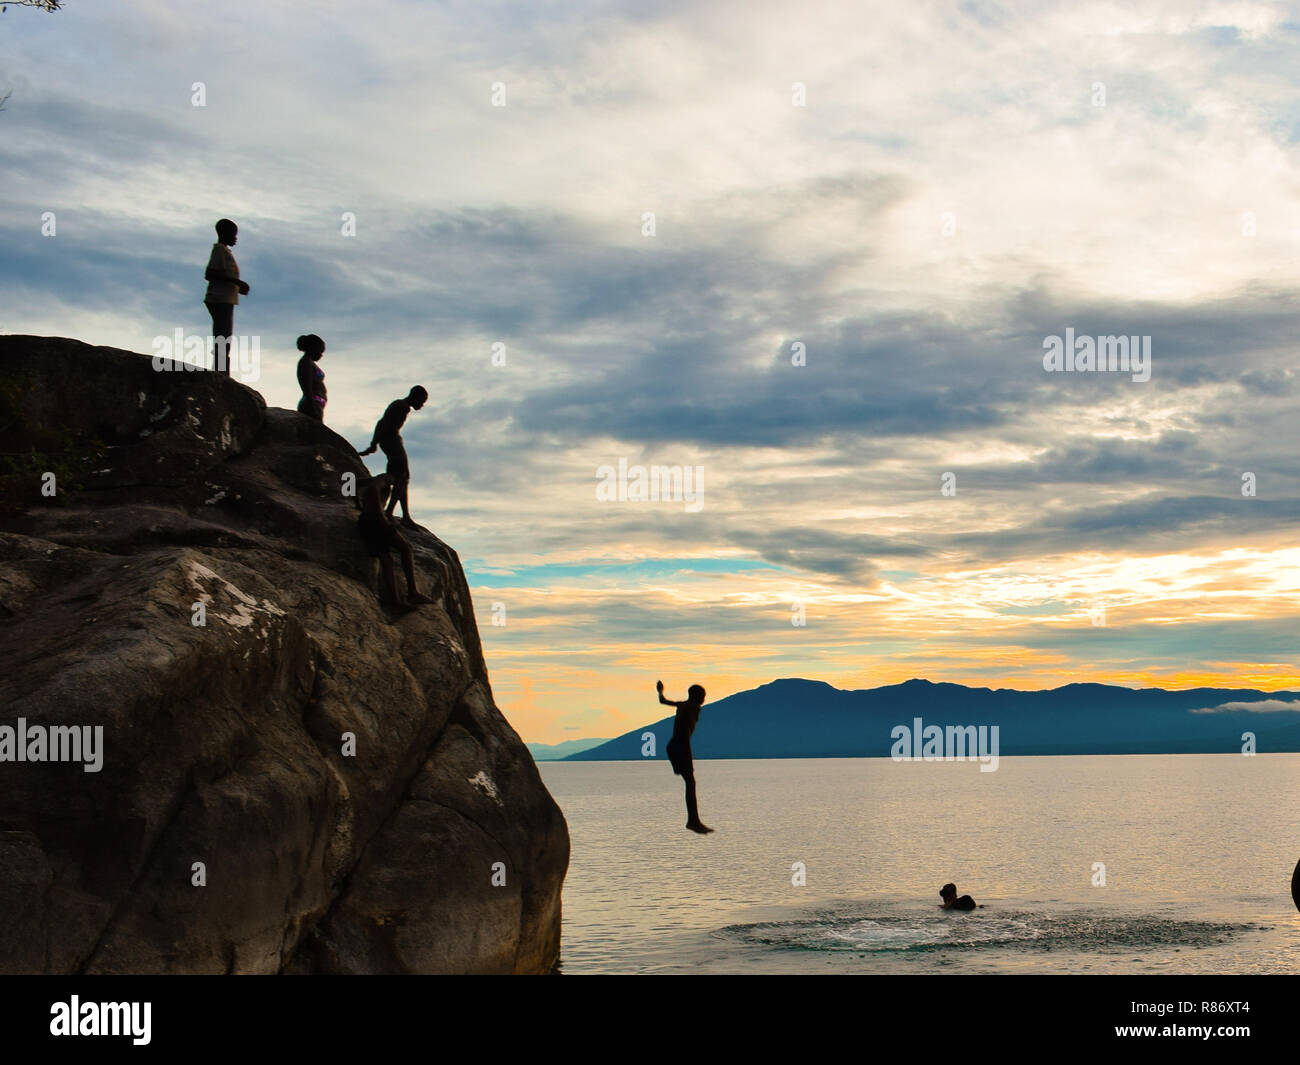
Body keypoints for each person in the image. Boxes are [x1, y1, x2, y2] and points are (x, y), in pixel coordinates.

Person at [356, 473, 435, 612]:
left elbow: (352, 482)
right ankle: (411, 593)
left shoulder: (376, 480)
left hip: (368, 521)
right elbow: (374, 489)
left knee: (386, 559)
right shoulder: (385, 479)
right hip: (376, 522)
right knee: (405, 548)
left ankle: (396, 601)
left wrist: (357, 503)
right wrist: (384, 519)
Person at [359, 386, 427, 527]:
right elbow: (383, 424)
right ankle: (390, 511)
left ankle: (404, 515)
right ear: (416, 397)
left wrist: (375, 443)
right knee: (399, 477)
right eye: (422, 401)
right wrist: (374, 443)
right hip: (391, 442)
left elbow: (383, 424)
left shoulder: (401, 405)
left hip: (391, 441)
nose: (422, 405)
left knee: (403, 477)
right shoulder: (401, 407)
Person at [657, 680, 712, 834]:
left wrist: (660, 691)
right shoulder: (693, 708)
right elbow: (684, 735)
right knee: (691, 783)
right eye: (702, 696)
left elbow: (663, 701)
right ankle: (693, 821)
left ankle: (693, 820)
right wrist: (688, 753)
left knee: (690, 783)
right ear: (696, 696)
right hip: (680, 747)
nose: (704, 700)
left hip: (673, 747)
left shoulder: (683, 705)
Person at [203, 218, 249, 373]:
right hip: (219, 299)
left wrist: (237, 286)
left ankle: (220, 369)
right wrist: (238, 282)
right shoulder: (219, 250)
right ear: (224, 233)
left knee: (224, 336)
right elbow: (210, 274)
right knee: (223, 336)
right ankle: (220, 371)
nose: (235, 238)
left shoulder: (225, 251)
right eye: (233, 234)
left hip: (225, 299)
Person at [296, 334, 327, 421]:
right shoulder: (305, 362)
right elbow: (306, 385)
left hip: (316, 404)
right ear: (312, 348)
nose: (321, 355)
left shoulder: (310, 363)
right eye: (320, 351)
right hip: (311, 405)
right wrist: (311, 403)